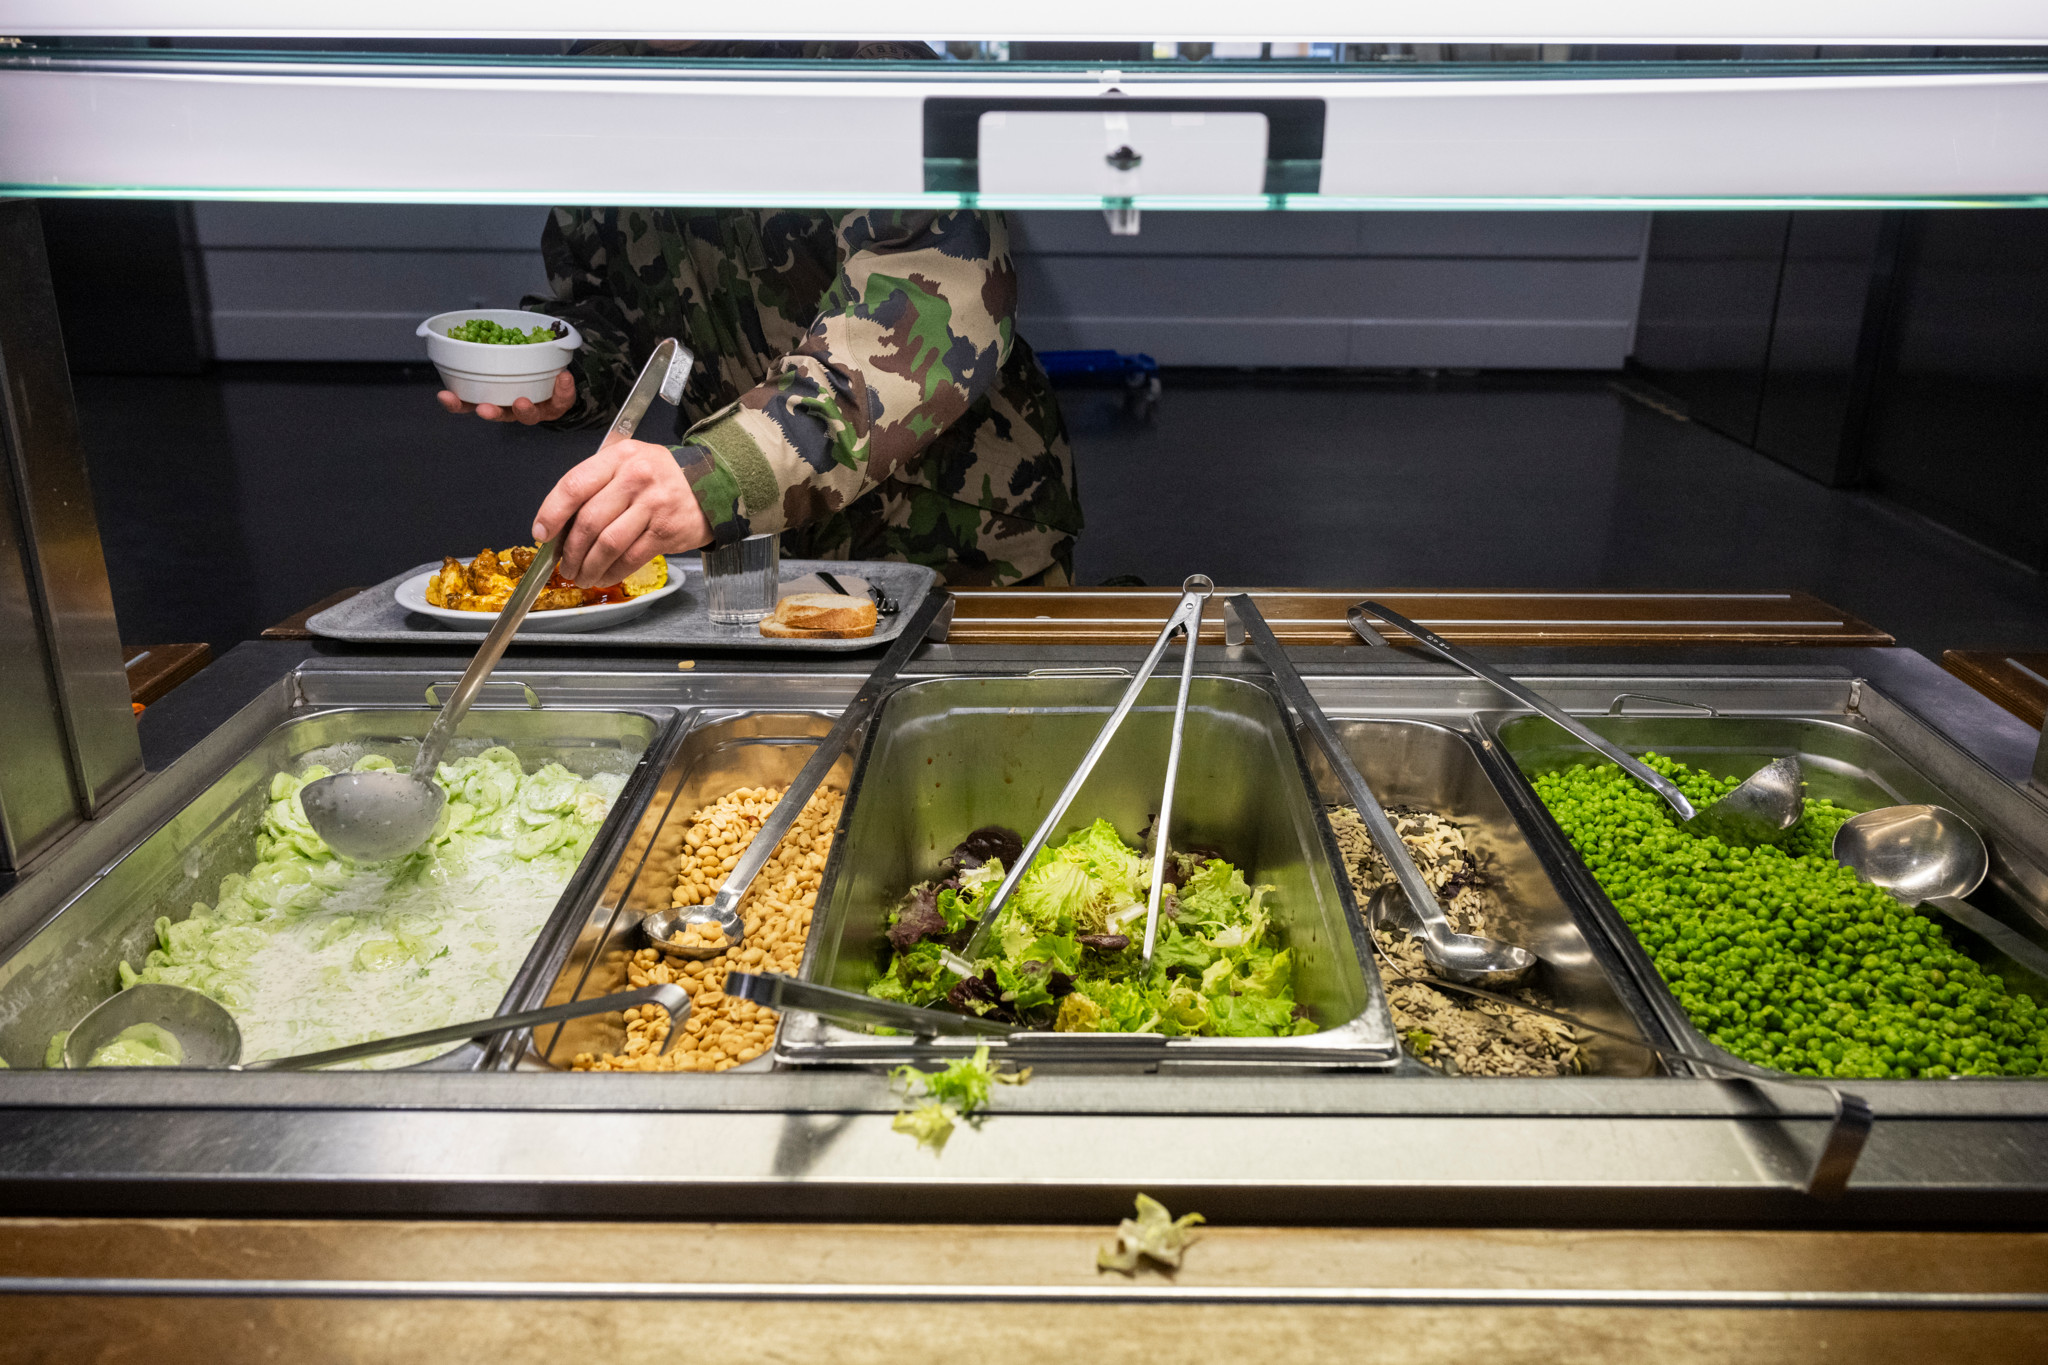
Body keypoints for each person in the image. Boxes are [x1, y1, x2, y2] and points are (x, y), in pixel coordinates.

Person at [438, 203, 1083, 592]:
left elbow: (926, 322)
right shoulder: (606, 74)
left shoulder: (866, 60)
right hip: (757, 560)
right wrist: (571, 370)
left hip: (955, 540)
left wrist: (717, 477)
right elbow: (622, 305)